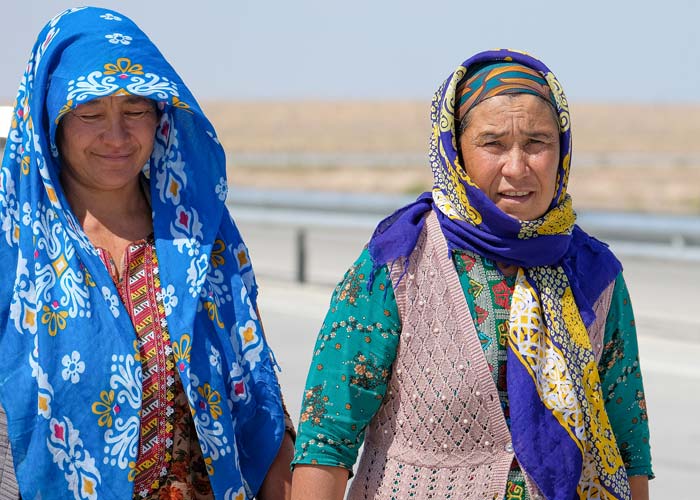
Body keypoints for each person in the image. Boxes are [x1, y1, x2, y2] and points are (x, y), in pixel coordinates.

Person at [290, 49, 653, 500]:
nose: (517, 168)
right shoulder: (398, 264)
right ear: (456, 151)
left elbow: (628, 445)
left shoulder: (596, 276)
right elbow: (327, 439)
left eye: (537, 142)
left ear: (563, 149)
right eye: (493, 144)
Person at [0, 7, 294, 499]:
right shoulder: (14, 252)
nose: (116, 137)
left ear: (161, 115)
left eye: (135, 110)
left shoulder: (202, 240)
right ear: (51, 121)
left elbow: (259, 401)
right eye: (90, 113)